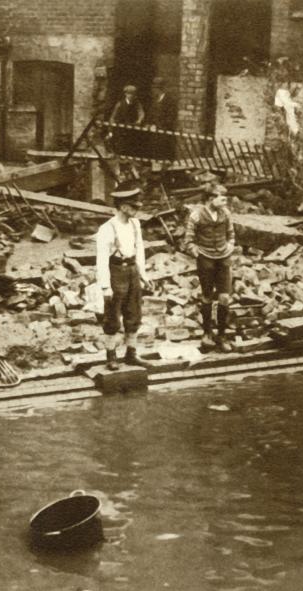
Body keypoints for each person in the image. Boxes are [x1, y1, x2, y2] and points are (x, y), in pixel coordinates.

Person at [95, 188, 152, 370]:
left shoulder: (135, 224)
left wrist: (143, 274)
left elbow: (140, 249)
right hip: (115, 271)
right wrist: (105, 286)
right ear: (123, 206)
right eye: (133, 206)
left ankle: (131, 354)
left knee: (134, 313)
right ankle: (111, 357)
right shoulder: (106, 228)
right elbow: (101, 259)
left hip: (132, 270)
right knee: (112, 316)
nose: (136, 210)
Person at [183, 182, 236, 352]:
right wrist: (196, 252)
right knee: (207, 296)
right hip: (205, 259)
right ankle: (207, 334)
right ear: (211, 198)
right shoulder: (196, 216)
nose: (225, 201)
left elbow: (231, 234)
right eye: (222, 198)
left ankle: (221, 335)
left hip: (223, 258)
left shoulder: (225, 213)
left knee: (224, 297)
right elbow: (189, 240)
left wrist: (230, 246)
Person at [108, 84, 145, 159]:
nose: (130, 96)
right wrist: (110, 131)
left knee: (131, 148)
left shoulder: (137, 103)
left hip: (131, 129)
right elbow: (112, 117)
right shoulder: (120, 104)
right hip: (120, 130)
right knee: (120, 147)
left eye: (132, 94)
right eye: (129, 93)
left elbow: (141, 112)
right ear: (125, 94)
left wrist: (139, 120)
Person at [147, 76, 177, 161]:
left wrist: (160, 126)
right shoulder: (155, 99)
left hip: (165, 132)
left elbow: (171, 117)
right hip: (156, 132)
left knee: (165, 154)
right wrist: (149, 123)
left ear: (161, 89)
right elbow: (151, 113)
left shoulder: (170, 100)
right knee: (156, 152)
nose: (154, 91)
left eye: (156, 88)